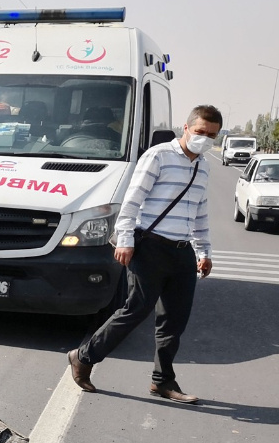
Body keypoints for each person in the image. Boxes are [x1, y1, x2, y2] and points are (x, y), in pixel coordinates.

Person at [68, 104, 222, 404]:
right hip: (148, 245)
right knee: (136, 310)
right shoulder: (159, 155)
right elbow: (132, 200)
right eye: (201, 132)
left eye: (212, 135)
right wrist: (125, 239)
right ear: (187, 128)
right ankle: (83, 357)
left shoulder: (203, 165)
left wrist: (204, 251)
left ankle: (162, 381)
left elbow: (200, 212)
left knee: (175, 320)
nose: (205, 139)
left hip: (181, 251)